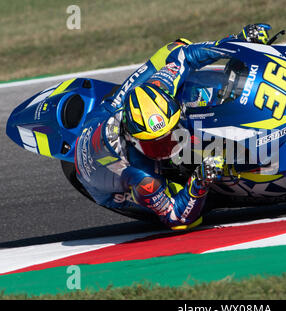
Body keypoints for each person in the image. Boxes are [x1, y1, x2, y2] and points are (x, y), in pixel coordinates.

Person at [74, 24, 272, 230]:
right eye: (156, 145)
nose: (170, 147)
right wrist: (200, 180)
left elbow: (185, 55)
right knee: (197, 209)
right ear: (134, 141)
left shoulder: (159, 87)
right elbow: (177, 218)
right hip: (108, 186)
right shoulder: (141, 176)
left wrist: (236, 42)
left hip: (106, 112)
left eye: (170, 137)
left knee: (176, 47)